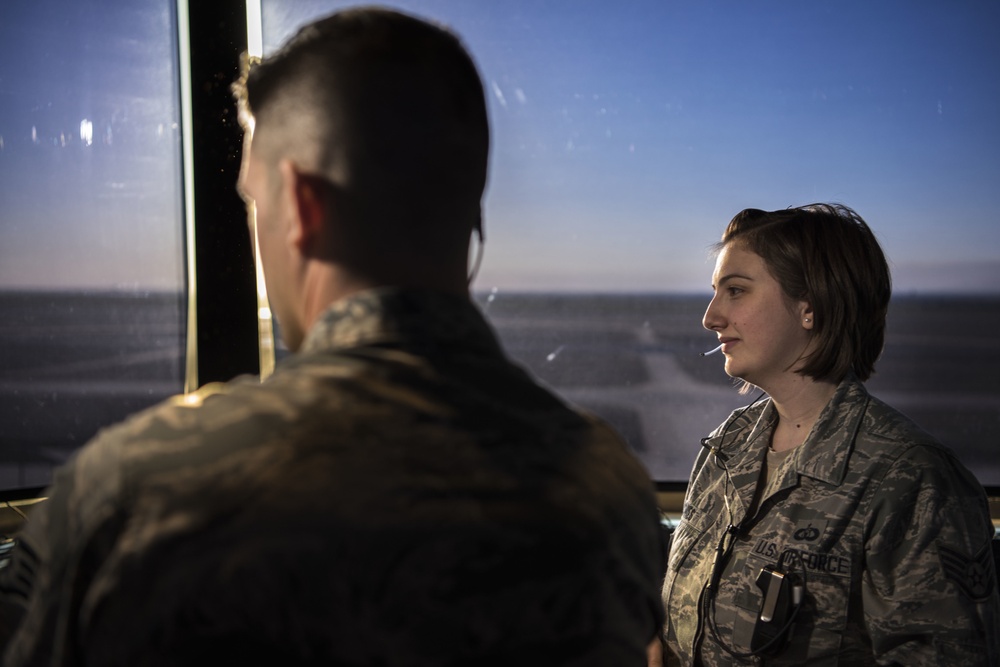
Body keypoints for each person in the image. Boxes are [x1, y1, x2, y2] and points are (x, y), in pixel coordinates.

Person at [0, 8, 665, 665]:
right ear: (471, 218)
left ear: (303, 205)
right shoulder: (613, 490)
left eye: (255, 202)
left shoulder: (138, 493)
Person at [656, 204, 999, 665]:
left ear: (809, 309)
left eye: (735, 291)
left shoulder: (911, 479)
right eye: (716, 292)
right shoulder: (726, 448)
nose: (711, 317)